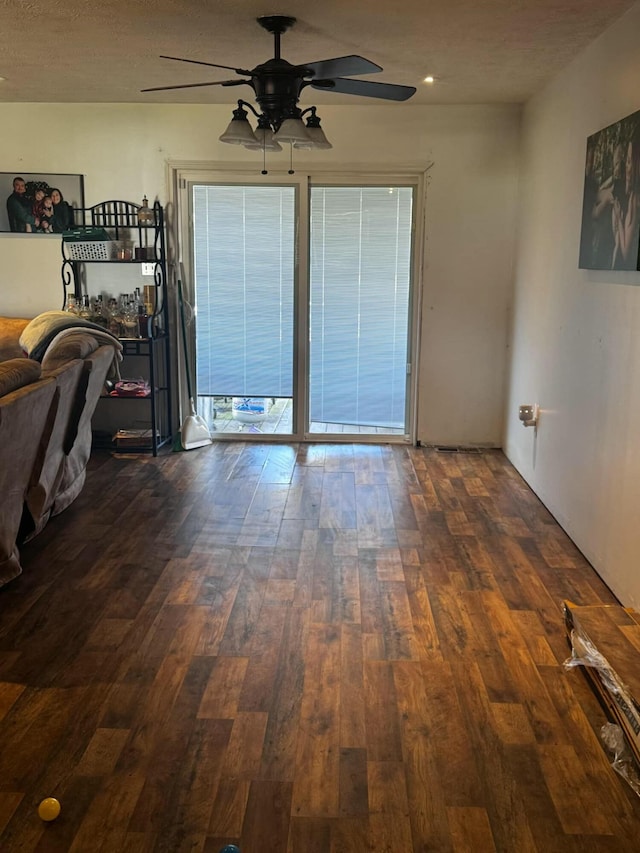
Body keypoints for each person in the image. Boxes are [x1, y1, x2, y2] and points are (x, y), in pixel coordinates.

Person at [612, 124, 640, 269]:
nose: (626, 168)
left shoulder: (634, 199)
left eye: (629, 161)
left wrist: (618, 216)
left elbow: (625, 251)